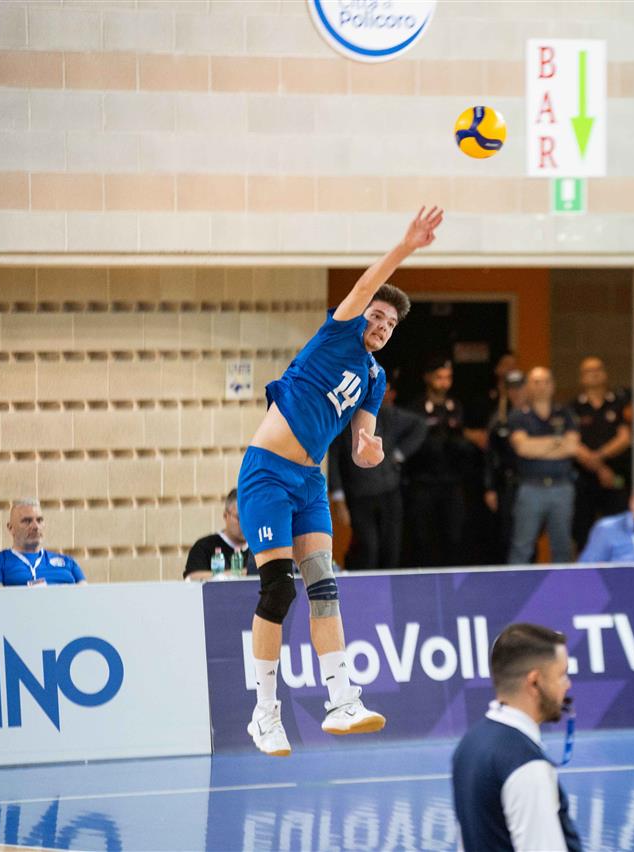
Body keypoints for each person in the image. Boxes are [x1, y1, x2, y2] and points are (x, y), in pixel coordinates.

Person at [236, 206, 442, 756]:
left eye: (391, 325)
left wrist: (370, 450)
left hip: (310, 484)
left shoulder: (375, 377)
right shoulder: (337, 335)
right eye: (378, 317)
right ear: (360, 315)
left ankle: (342, 700)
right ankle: (264, 714)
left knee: (324, 586)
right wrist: (407, 246)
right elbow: (366, 284)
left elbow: (362, 444)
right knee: (278, 588)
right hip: (267, 473)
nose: (382, 327)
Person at [451, 623, 582, 852]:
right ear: (534, 682)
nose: (567, 684)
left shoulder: (469, 744)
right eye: (562, 675)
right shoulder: (527, 766)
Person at [328, 383, 427, 571]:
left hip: (389, 491)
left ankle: (390, 587)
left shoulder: (386, 414)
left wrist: (398, 455)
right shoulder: (342, 420)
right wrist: (338, 497)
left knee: (391, 548)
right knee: (368, 548)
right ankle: (368, 587)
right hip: (358, 494)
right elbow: (332, 458)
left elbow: (420, 425)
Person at [403, 356, 475, 567]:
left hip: (451, 482)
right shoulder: (415, 408)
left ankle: (451, 578)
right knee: (422, 537)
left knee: (454, 536)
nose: (444, 383)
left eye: (448, 377)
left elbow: (463, 440)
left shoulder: (456, 406)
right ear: (428, 378)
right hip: (423, 482)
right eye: (439, 377)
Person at [508, 367, 580, 565]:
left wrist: (537, 445)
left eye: (546, 381)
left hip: (561, 486)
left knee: (562, 546)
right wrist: (557, 442)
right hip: (531, 487)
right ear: (528, 386)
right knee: (522, 546)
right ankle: (516, 584)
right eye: (536, 382)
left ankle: (562, 584)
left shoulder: (564, 413)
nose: (541, 386)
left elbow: (572, 447)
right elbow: (523, 448)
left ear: (553, 385)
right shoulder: (519, 415)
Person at [570, 356, 633, 552]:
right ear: (581, 378)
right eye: (588, 371)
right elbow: (572, 443)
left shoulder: (619, 403)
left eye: (598, 369)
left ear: (605, 374)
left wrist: (600, 457)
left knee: (618, 528)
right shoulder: (573, 407)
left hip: (615, 477)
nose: (594, 374)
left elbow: (625, 438)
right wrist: (598, 468)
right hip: (584, 478)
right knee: (583, 532)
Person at [0, 499, 86, 587]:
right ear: (11, 528)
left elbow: (85, 596)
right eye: (27, 521)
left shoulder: (68, 562)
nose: (35, 526)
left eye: (39, 520)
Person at [484, 369, 527, 564]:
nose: (516, 393)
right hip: (507, 482)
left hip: (530, 480)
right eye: (512, 389)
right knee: (507, 532)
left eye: (519, 388)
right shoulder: (499, 419)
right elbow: (490, 456)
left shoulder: (533, 414)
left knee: (529, 532)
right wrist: (490, 487)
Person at [183, 488, 251, 581]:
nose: (245, 523)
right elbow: (192, 578)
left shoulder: (260, 548)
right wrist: (244, 573)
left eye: (250, 517)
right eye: (239, 518)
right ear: (225, 516)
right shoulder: (204, 546)